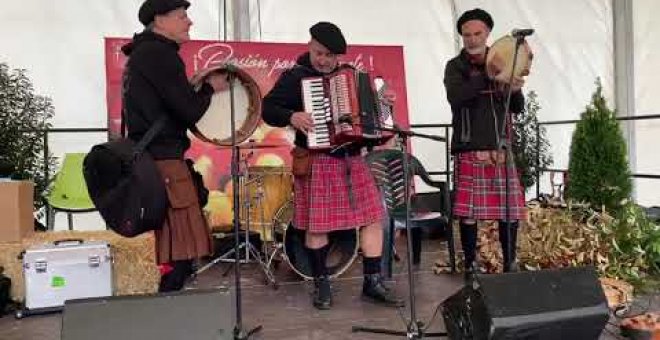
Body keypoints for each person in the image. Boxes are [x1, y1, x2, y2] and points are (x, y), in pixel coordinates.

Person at [262, 22, 403, 310]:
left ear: (338, 55)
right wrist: (292, 116)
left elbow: (375, 117)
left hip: (352, 159)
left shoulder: (351, 74)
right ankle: (321, 285)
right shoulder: (295, 77)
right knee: (317, 226)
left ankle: (372, 282)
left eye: (328, 55)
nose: (322, 59)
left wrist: (386, 104)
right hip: (318, 160)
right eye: (317, 52)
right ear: (310, 46)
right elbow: (268, 109)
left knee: (373, 219)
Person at [121, 0, 227, 292]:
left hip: (154, 160)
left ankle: (170, 306)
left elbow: (166, 102)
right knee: (180, 248)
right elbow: (189, 111)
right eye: (182, 16)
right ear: (160, 21)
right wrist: (210, 88)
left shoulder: (142, 54)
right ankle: (167, 307)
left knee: (176, 248)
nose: (189, 22)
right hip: (165, 161)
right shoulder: (160, 55)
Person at [444, 8, 527, 281]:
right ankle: (470, 263)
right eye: (466, 34)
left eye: (477, 33)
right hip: (471, 146)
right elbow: (457, 97)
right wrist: (487, 74)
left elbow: (517, 108)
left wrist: (514, 88)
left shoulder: (504, 59)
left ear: (488, 33)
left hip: (501, 147)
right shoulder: (455, 66)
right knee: (469, 213)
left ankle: (510, 262)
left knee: (509, 211)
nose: (471, 39)